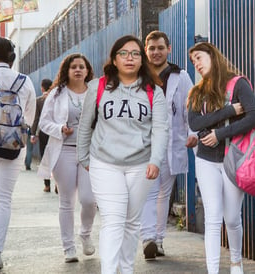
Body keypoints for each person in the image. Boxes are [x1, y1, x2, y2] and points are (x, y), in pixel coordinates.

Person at [77, 35, 169, 274]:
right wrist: (84, 158)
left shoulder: (153, 91)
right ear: (114, 60)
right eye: (124, 54)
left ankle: (126, 269)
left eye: (135, 54)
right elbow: (86, 124)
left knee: (131, 223)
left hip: (140, 164)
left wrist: (155, 160)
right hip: (105, 162)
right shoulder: (98, 86)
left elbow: (160, 129)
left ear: (142, 59)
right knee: (113, 219)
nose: (130, 58)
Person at [187, 42, 255, 274]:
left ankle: (236, 262)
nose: (197, 64)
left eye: (199, 57)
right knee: (213, 217)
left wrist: (220, 133)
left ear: (212, 55)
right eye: (193, 62)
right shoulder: (197, 92)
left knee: (231, 217)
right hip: (206, 160)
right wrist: (229, 111)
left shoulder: (237, 83)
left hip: (232, 159)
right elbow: (194, 123)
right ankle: (213, 271)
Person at [0, 37, 36, 269]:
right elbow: (29, 118)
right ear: (12, 57)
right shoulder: (25, 81)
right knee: (3, 199)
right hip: (13, 148)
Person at [140, 30, 197, 259]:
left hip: (172, 142)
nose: (156, 52)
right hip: (145, 143)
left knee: (164, 194)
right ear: (146, 50)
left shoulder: (180, 76)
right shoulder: (138, 76)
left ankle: (158, 240)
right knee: (148, 191)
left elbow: (189, 107)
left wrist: (193, 132)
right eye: (152, 48)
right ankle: (147, 238)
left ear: (169, 49)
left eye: (160, 48)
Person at [37, 54, 97, 262]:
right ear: (67, 71)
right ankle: (68, 248)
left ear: (88, 71)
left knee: (89, 200)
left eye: (82, 67)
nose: (78, 70)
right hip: (65, 151)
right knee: (66, 201)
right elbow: (44, 123)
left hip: (90, 153)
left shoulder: (96, 93)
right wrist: (59, 128)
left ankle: (85, 234)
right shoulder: (56, 94)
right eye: (74, 67)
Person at [30, 78, 53, 192]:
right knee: (56, 157)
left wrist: (33, 134)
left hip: (44, 132)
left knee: (45, 157)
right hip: (56, 132)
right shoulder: (56, 98)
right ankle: (58, 184)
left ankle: (47, 185)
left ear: (42, 87)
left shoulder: (39, 100)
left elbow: (36, 119)